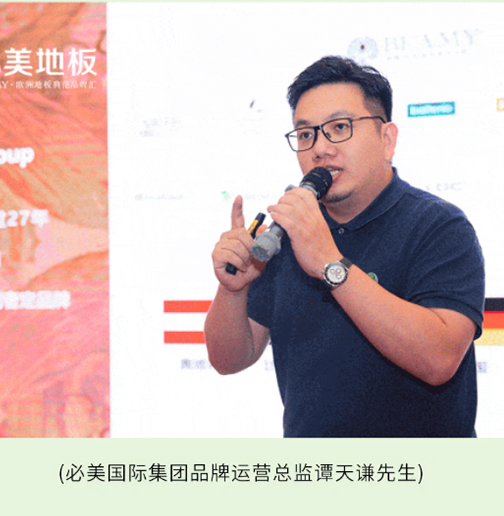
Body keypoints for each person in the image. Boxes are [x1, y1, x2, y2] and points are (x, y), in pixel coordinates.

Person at [204, 56, 485, 437]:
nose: (320, 148)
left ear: (387, 140)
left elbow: (439, 359)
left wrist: (329, 263)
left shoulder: (438, 226)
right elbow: (228, 359)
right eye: (306, 134)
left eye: (340, 128)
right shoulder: (287, 229)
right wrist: (233, 289)